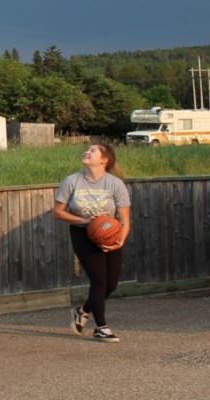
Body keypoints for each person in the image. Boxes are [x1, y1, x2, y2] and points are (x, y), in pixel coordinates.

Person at [53, 143, 131, 343]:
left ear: (104, 160)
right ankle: (101, 327)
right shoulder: (72, 181)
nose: (87, 152)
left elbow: (124, 219)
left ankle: (83, 310)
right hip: (83, 234)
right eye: (87, 149)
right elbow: (58, 212)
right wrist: (85, 221)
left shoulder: (115, 184)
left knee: (111, 284)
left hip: (110, 235)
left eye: (93, 150)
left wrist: (120, 240)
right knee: (98, 280)